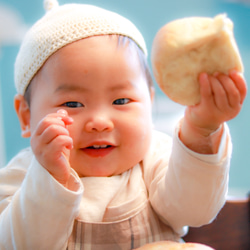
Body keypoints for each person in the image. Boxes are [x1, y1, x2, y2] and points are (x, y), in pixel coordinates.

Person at [0, 0, 247, 249]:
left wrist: (202, 130)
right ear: (26, 116)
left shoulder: (155, 158)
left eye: (120, 100)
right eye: (73, 104)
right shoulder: (20, 176)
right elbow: (18, 243)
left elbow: (195, 210)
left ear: (149, 103)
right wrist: (48, 178)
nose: (99, 122)